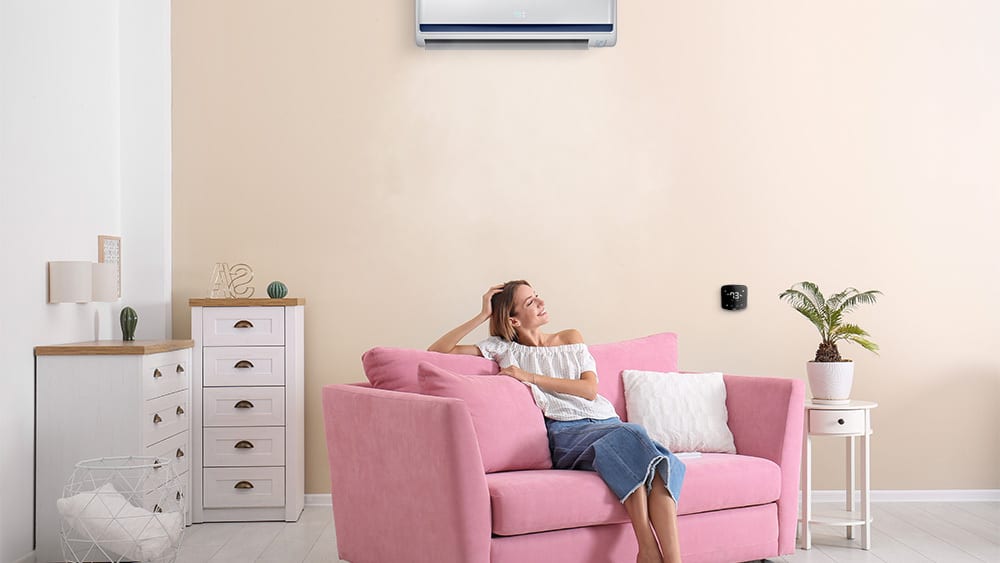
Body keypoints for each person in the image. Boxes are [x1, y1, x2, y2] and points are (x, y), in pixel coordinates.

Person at [428, 280, 685, 563]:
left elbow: (589, 390)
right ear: (513, 319)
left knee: (660, 462)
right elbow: (438, 351)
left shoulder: (570, 338)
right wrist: (482, 315)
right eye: (530, 302)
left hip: (608, 423)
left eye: (537, 296)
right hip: (567, 432)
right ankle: (648, 549)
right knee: (636, 440)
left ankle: (664, 558)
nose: (541, 303)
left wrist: (530, 377)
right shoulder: (503, 349)